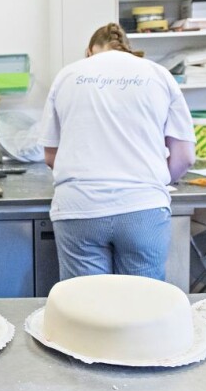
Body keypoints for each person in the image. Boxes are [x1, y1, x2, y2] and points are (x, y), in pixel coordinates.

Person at [40, 23, 196, 281]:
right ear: (128, 50)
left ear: (89, 52)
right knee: (142, 307)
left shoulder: (67, 76)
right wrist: (154, 181)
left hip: (80, 208)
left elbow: (50, 156)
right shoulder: (158, 74)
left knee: (87, 308)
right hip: (143, 207)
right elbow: (185, 157)